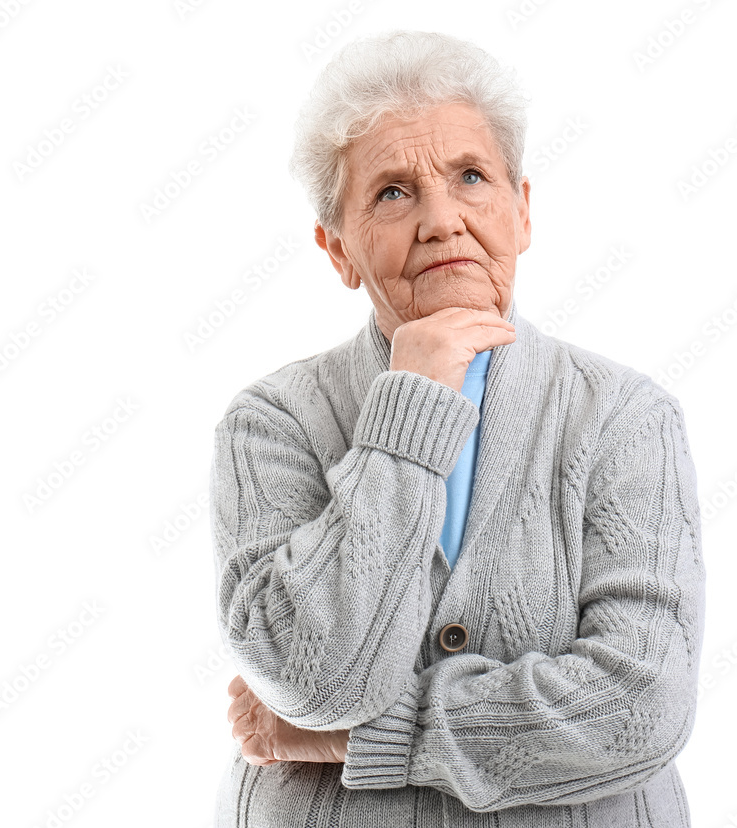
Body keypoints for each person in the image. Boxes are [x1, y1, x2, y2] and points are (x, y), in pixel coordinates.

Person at [210, 29, 706, 827]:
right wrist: (408, 406)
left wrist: (361, 738)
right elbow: (313, 679)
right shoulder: (270, 425)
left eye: (470, 176)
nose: (441, 220)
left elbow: (640, 705)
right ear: (338, 249)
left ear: (522, 209)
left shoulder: (623, 416)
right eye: (393, 193)